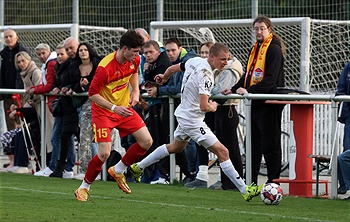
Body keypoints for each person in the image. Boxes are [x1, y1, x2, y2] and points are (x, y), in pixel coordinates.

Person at [130, 42, 264, 202]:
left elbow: (173, 69)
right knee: (223, 152)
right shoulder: (206, 75)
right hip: (192, 120)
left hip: (184, 114)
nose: (225, 63)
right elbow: (204, 105)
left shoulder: (194, 61)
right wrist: (213, 106)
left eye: (227, 59)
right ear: (212, 57)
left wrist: (163, 77)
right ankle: (245, 189)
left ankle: (138, 167)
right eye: (222, 59)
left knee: (174, 147)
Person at [74, 30, 153, 202]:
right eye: (136, 51)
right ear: (125, 48)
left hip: (123, 108)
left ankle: (118, 170)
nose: (138, 55)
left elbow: (133, 72)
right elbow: (92, 94)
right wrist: (114, 107)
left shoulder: (135, 59)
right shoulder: (104, 68)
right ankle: (84, 187)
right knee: (104, 153)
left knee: (147, 141)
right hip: (104, 112)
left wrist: (136, 91)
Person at [222, 15, 286, 185]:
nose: (258, 31)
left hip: (269, 103)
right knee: (253, 145)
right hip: (256, 103)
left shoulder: (273, 49)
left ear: (269, 29)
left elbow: (271, 80)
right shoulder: (255, 48)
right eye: (256, 28)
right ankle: (251, 181)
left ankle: (274, 183)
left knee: (270, 145)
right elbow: (249, 75)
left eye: (262, 28)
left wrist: (249, 90)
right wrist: (234, 89)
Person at [147, 37, 198, 184]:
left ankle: (194, 174)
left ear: (181, 49)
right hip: (183, 109)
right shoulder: (174, 64)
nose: (170, 53)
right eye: (167, 50)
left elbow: (178, 88)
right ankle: (190, 174)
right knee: (178, 142)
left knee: (191, 143)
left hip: (192, 109)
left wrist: (160, 90)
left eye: (173, 50)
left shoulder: (188, 61)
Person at [1, 51, 42, 172]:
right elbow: (29, 100)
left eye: (23, 61)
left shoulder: (35, 72)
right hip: (34, 109)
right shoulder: (24, 74)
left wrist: (19, 110)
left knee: (24, 134)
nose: (21, 64)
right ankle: (19, 164)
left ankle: (23, 164)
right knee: (19, 135)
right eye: (18, 62)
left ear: (29, 60)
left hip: (40, 113)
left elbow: (38, 96)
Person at [48, 40, 79, 178]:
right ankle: (58, 167)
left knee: (69, 137)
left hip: (72, 105)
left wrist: (67, 88)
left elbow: (74, 81)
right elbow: (57, 81)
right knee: (60, 137)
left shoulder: (72, 65)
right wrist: (56, 87)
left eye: (62, 53)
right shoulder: (58, 67)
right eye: (58, 54)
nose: (60, 57)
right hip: (63, 105)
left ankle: (67, 167)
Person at [70, 42, 101, 180]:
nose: (83, 52)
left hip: (101, 102)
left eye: (85, 49)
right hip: (85, 104)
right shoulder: (75, 67)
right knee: (84, 137)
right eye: (80, 50)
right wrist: (81, 87)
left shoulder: (98, 63)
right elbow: (73, 86)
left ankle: (104, 169)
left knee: (101, 137)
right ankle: (84, 170)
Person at [0, 28, 30, 132]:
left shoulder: (23, 52)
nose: (8, 39)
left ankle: (24, 146)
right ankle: (11, 147)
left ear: (16, 37)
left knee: (22, 123)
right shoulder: (4, 54)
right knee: (10, 124)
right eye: (6, 37)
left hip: (20, 93)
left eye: (10, 36)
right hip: (7, 94)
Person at [336, 62, 350, 195]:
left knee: (345, 155)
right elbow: (341, 87)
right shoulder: (348, 67)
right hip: (349, 115)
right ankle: (345, 185)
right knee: (345, 153)